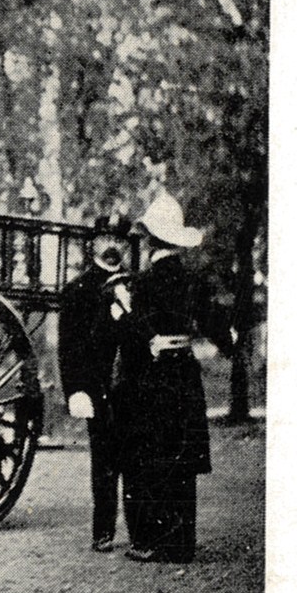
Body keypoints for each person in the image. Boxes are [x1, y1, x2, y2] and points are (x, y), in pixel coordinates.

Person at [113, 191, 212, 564]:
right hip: (184, 372)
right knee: (182, 459)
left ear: (151, 240)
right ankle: (183, 541)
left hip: (153, 377)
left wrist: (124, 313)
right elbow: (212, 323)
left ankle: (154, 540)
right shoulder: (192, 280)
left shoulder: (143, 283)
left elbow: (135, 337)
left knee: (152, 456)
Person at [58, 214, 132, 553]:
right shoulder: (77, 290)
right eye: (105, 239)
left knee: (135, 460)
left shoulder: (137, 285)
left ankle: (139, 532)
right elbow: (68, 348)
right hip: (97, 386)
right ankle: (103, 532)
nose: (112, 246)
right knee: (103, 461)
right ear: (93, 244)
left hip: (134, 387)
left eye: (119, 240)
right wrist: (75, 390)